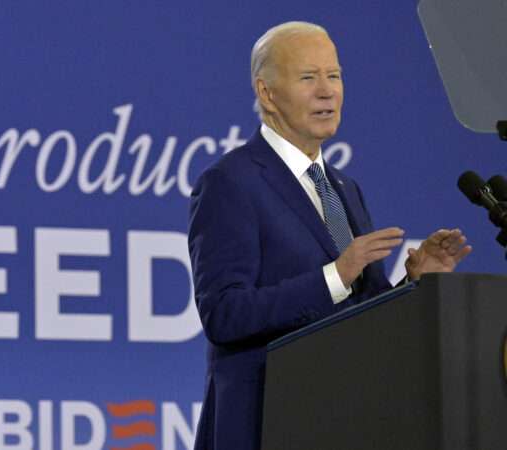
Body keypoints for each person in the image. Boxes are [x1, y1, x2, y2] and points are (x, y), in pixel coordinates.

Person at [187, 21, 472, 450]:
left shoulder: (342, 188)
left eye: (334, 76)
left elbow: (360, 317)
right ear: (267, 93)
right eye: (308, 78)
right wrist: (334, 276)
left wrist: (413, 284)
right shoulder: (231, 182)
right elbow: (224, 314)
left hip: (340, 421)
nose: (327, 91)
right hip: (263, 425)